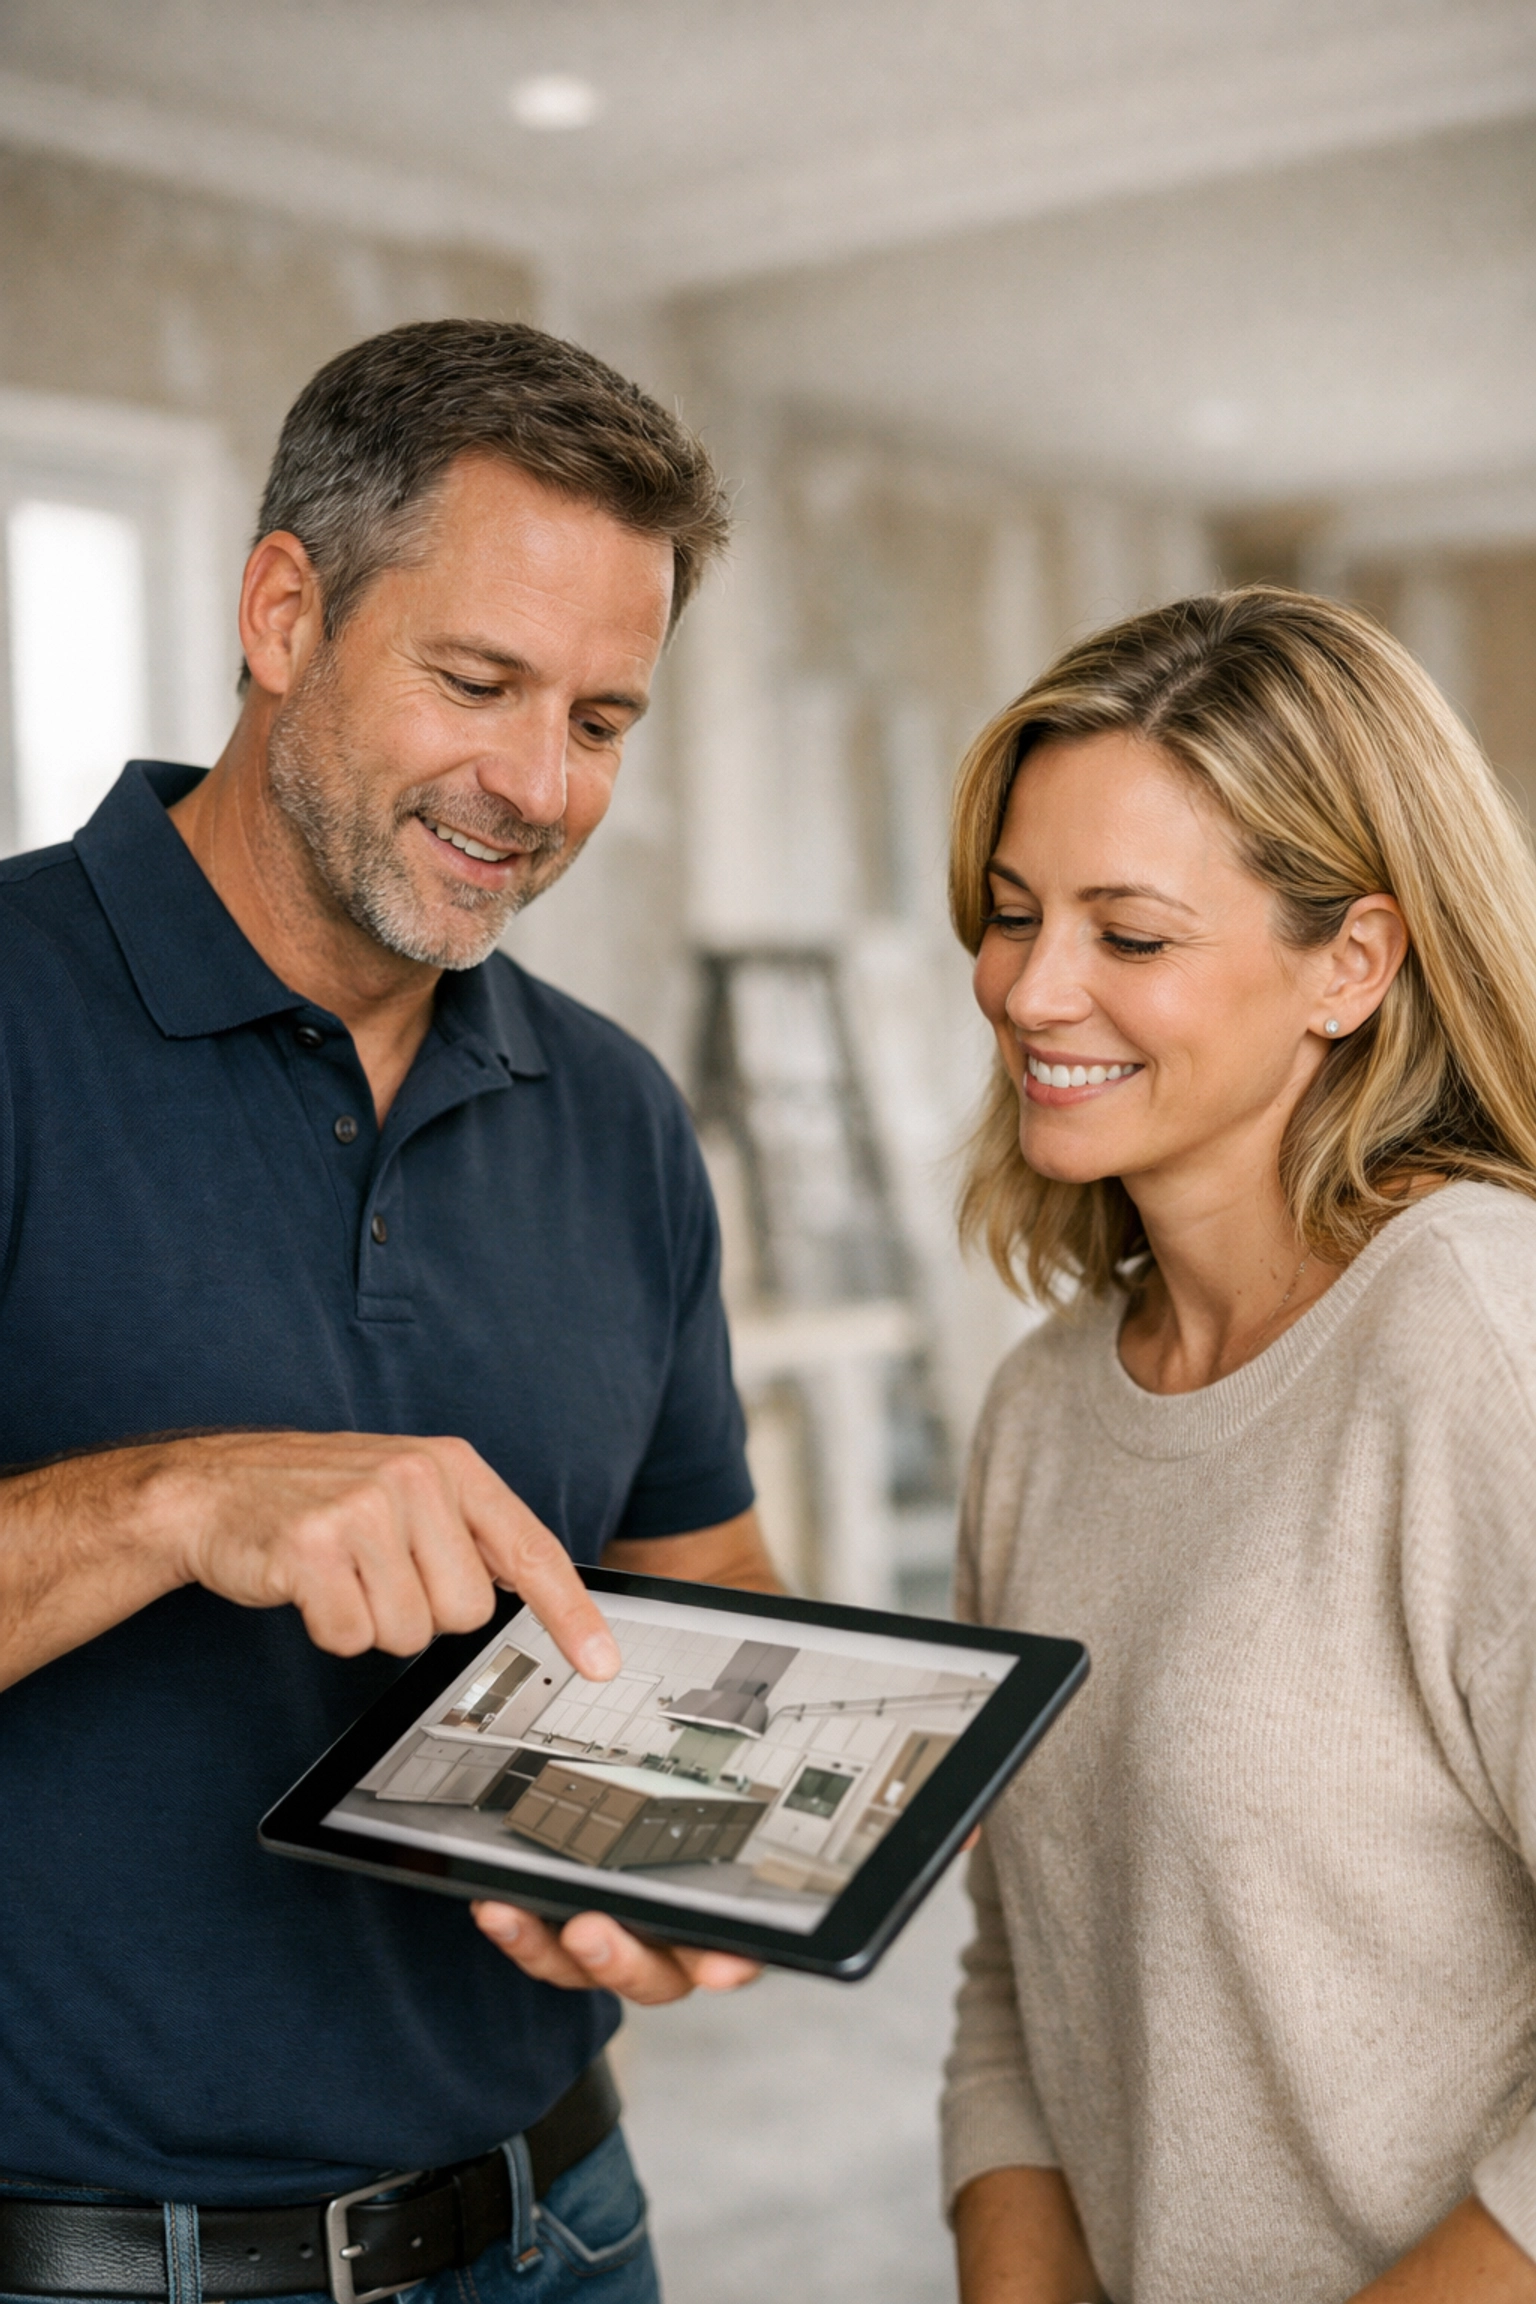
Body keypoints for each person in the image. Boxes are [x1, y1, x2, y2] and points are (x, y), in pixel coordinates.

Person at [0, 319, 775, 2304]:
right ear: (282, 612)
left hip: (563, 2230)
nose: (534, 783)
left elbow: (707, 1601)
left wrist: (715, 1870)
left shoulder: (615, 1111)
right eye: (477, 681)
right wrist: (180, 1504)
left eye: (602, 719)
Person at [938, 587, 1536, 2304]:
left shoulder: (1480, 1342)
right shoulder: (1041, 1412)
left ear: (1351, 963)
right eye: (1010, 913)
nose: (1033, 989)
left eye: (1129, 936)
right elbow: (1021, 1970)